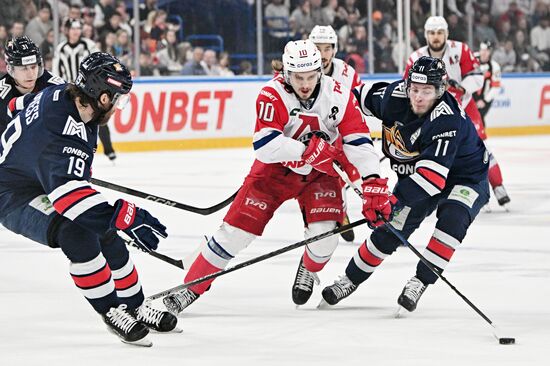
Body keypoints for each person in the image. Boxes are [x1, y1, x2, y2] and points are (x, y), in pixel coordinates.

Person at [162, 39, 389, 314]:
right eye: (298, 77)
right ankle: (190, 288)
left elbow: (358, 141)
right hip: (274, 173)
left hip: (320, 175)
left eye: (310, 76)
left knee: (326, 238)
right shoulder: (272, 93)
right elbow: (265, 145)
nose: (305, 84)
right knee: (234, 234)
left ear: (320, 71)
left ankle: (308, 267)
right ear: (286, 73)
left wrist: (373, 182)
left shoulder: (339, 94)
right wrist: (307, 150)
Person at [0, 52, 177, 346]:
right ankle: (110, 310)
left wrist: (33, 160)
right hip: (13, 196)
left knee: (104, 230)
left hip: (38, 178)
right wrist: (125, 215)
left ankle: (135, 305)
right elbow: (68, 197)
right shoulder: (61, 136)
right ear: (103, 97)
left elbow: (15, 104)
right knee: (78, 231)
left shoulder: (60, 94)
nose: (120, 106)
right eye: (119, 99)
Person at [321, 56, 489, 313]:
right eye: (414, 89)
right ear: (407, 85)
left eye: (427, 91)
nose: (418, 97)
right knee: (391, 229)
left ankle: (421, 281)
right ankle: (350, 279)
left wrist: (391, 201)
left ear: (440, 90)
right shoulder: (393, 95)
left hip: (466, 176)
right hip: (421, 173)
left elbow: (432, 180)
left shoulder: (447, 118)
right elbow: (347, 101)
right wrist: (321, 128)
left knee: (452, 220)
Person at [405, 16, 510, 208]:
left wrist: (461, 88)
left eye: (439, 33)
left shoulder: (460, 50)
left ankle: (497, 185)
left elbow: (477, 77)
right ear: (426, 35)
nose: (436, 37)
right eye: (432, 33)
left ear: (446, 33)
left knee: (480, 148)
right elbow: (407, 89)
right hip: (434, 115)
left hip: (465, 109)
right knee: (440, 154)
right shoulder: (415, 58)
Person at [309, 24, 363, 242]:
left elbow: (359, 102)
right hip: (312, 136)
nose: (322, 55)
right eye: (317, 48)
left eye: (327, 48)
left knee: (354, 173)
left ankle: (347, 210)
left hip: (340, 132)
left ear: (334, 49)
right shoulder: (303, 71)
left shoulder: (347, 73)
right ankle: (339, 212)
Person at [53, 18, 117, 163]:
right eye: (73, 28)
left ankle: (108, 149)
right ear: (67, 30)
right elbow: (57, 71)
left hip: (90, 90)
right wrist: (60, 87)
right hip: (70, 90)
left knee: (98, 117)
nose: (76, 31)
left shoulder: (89, 45)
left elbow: (100, 65)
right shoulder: (61, 48)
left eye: (78, 28)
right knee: (70, 121)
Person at [0, 36, 64, 136]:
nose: (31, 74)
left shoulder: (56, 87)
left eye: (33, 67)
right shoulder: (2, 95)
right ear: (10, 69)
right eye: (23, 68)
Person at [473, 41, 502, 128]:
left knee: (479, 119)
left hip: (484, 97)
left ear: (490, 52)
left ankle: (480, 139)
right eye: (482, 50)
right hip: (470, 96)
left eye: (486, 50)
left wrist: (485, 100)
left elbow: (496, 87)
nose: (483, 53)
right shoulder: (472, 58)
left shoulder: (494, 66)